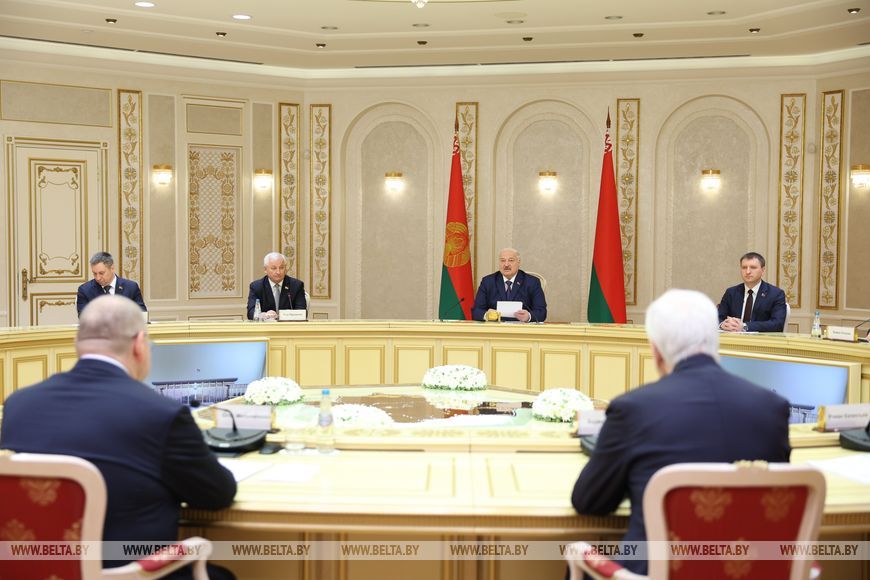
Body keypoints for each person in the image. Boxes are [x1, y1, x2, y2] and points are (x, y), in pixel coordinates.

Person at [0, 295, 237, 579]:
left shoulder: (18, 405)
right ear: (139, 344)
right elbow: (217, 494)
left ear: (78, 343)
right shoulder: (162, 414)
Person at [571, 289, 790, 576]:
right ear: (715, 342)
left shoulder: (632, 409)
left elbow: (589, 501)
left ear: (656, 352)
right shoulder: (772, 408)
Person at [471, 248, 547, 322]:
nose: (506, 264)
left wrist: (529, 316)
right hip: (495, 327)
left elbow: (541, 312)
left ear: (518, 262)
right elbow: (476, 311)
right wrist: (487, 315)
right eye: (502, 260)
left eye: (511, 260)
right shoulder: (488, 282)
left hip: (522, 327)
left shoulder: (532, 282)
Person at [718, 251, 787, 332]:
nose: (747, 272)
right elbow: (718, 317)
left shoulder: (776, 294)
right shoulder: (731, 292)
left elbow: (777, 324)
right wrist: (723, 324)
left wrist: (744, 326)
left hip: (760, 339)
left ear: (763, 270)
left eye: (753, 267)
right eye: (744, 267)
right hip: (733, 337)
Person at [76, 251, 147, 316]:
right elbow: (83, 317)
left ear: (112, 268)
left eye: (101, 273)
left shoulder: (131, 287)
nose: (98, 278)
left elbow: (142, 314)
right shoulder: (85, 290)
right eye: (94, 273)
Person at [247, 252, 307, 320]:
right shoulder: (257, 287)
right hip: (266, 326)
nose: (278, 272)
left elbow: (302, 312)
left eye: (281, 268)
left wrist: (281, 315)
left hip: (288, 325)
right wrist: (265, 315)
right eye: (274, 268)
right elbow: (251, 313)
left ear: (285, 269)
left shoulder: (296, 285)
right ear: (265, 270)